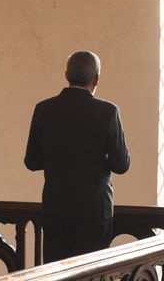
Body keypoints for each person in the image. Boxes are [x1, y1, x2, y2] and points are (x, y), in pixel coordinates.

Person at [24, 50, 130, 262]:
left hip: (56, 207)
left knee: (58, 272)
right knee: (90, 273)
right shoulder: (108, 112)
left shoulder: (44, 109)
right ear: (97, 78)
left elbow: (32, 161)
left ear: (66, 75)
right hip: (95, 210)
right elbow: (120, 165)